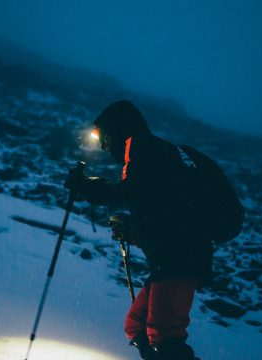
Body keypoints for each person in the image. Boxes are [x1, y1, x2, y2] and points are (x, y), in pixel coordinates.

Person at [64, 100, 213, 360]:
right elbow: (162, 213)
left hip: (179, 257)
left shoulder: (142, 146)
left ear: (118, 130)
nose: (104, 147)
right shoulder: (153, 153)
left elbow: (131, 195)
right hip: (175, 256)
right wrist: (131, 232)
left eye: (106, 139)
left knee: (165, 336)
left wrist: (87, 187)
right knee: (137, 326)